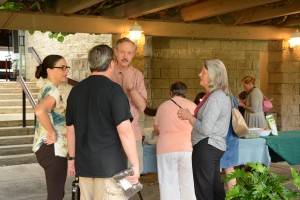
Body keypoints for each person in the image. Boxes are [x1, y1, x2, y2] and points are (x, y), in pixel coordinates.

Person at [66, 44, 140, 199]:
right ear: (111, 64)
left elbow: (70, 128)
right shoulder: (114, 91)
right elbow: (125, 131)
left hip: (84, 167)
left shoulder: (76, 91)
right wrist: (135, 164)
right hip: (110, 168)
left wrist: (72, 159)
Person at [178, 59, 231, 200]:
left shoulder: (216, 97)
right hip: (212, 146)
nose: (199, 74)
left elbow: (206, 129)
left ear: (214, 76)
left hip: (207, 146)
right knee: (214, 188)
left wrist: (189, 117)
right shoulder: (219, 95)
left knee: (203, 190)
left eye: (204, 72)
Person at [33, 55, 69, 200]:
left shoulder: (46, 87)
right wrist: (52, 132)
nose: (66, 71)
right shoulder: (53, 91)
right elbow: (39, 111)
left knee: (56, 194)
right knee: (56, 195)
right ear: (49, 70)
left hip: (47, 149)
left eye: (67, 67)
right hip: (52, 149)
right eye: (62, 68)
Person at [154, 81, 197, 200]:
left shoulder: (162, 107)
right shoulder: (193, 106)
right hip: (187, 148)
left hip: (166, 149)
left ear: (170, 93)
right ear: (185, 93)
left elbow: (156, 130)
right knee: (188, 183)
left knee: (168, 183)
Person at [112, 37, 147, 173]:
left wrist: (131, 89)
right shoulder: (107, 73)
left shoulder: (137, 75)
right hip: (110, 133)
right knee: (112, 173)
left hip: (132, 132)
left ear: (133, 54)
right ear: (116, 52)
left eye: (129, 53)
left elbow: (142, 107)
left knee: (132, 174)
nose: (125, 56)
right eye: (122, 52)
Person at [220, 95, 239, 191]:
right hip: (232, 135)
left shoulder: (216, 97)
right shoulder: (233, 98)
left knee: (216, 168)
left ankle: (216, 196)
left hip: (219, 136)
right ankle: (233, 196)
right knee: (230, 169)